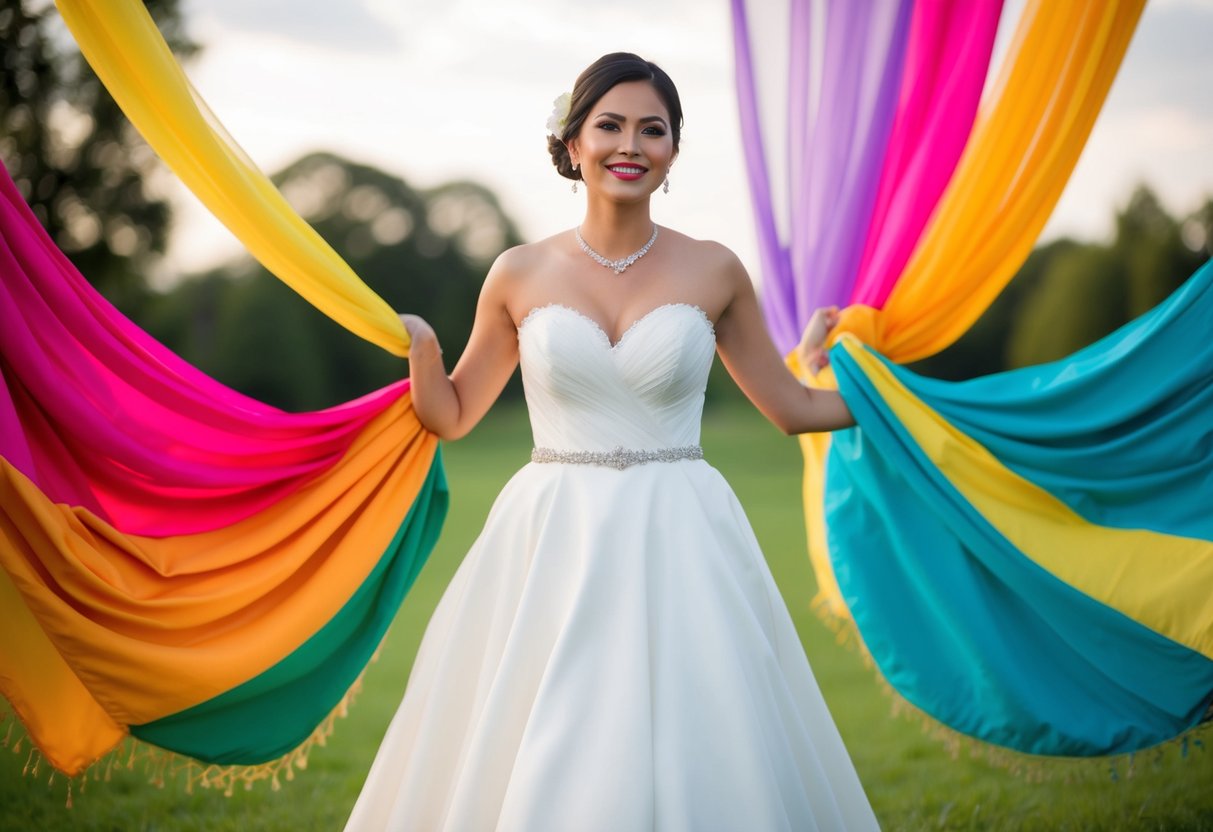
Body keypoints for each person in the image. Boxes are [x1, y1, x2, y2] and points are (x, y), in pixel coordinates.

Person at [344, 52, 878, 831]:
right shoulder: (518, 272)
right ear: (571, 144)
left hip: (683, 528)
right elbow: (453, 415)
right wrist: (422, 347)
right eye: (610, 125)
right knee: (551, 725)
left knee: (706, 729)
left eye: (651, 130)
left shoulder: (714, 268)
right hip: (553, 532)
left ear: (671, 153)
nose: (630, 144)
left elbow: (794, 407)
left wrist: (880, 393)